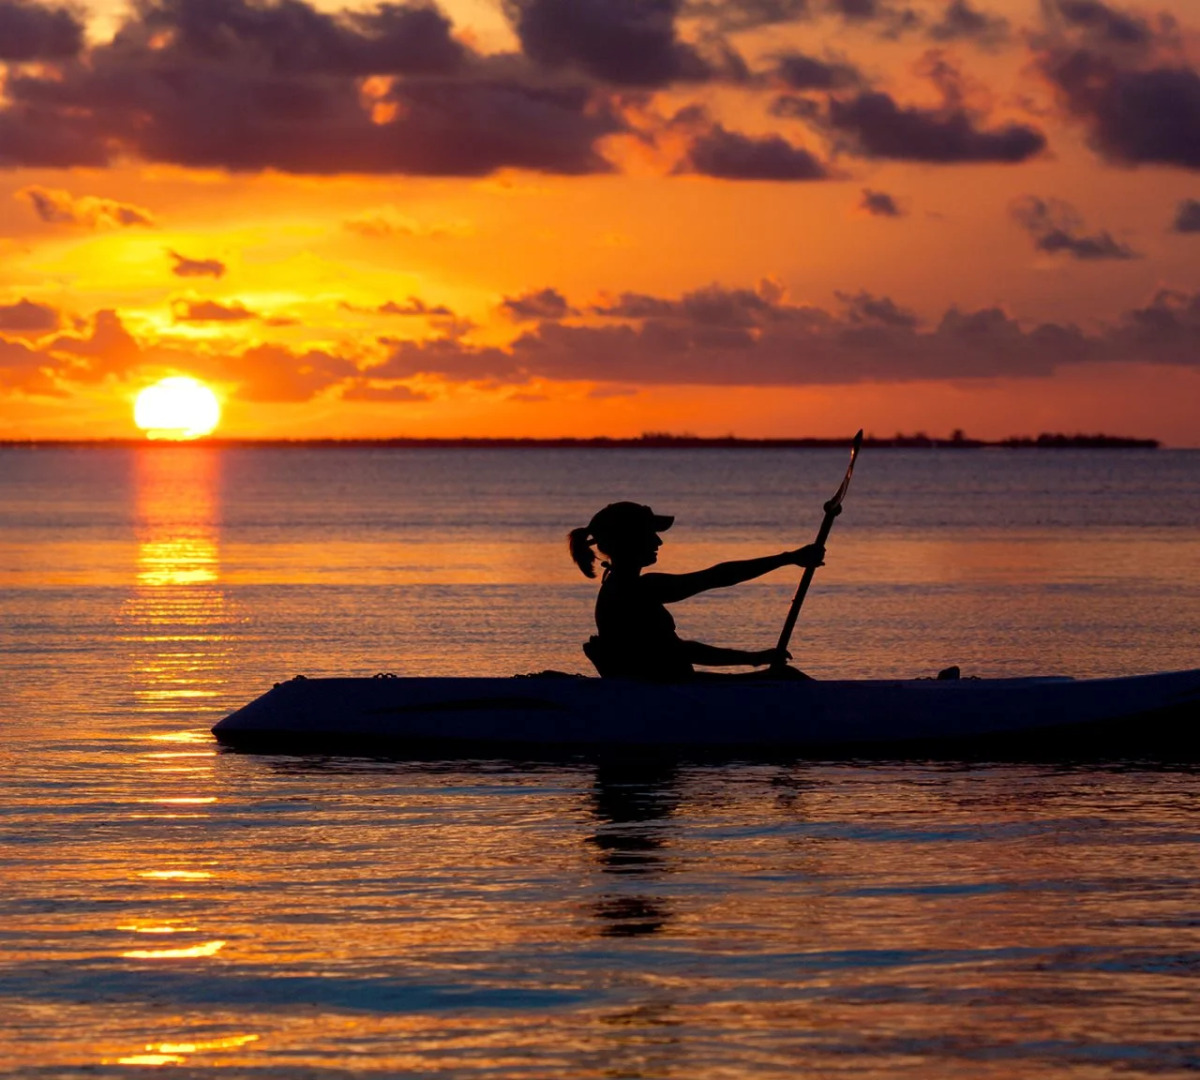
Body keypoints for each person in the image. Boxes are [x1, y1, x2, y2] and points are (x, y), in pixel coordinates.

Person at [568, 501, 826, 681]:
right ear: (629, 540)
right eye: (650, 534)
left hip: (672, 688)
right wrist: (787, 558)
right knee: (784, 677)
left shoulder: (619, 586)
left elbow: (676, 650)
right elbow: (717, 577)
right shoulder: (636, 589)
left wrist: (754, 659)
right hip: (670, 694)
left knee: (781, 676)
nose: (659, 541)